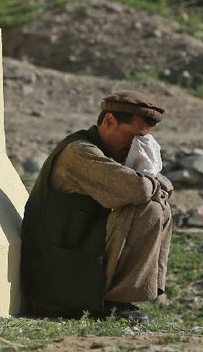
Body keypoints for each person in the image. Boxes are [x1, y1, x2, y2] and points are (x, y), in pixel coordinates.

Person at [20, 90, 174, 323]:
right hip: (55, 281)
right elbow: (138, 189)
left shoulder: (111, 154)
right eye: (133, 138)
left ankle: (118, 301)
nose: (138, 147)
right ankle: (114, 304)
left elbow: (162, 187)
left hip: (79, 265)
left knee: (160, 207)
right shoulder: (80, 151)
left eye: (144, 141)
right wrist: (151, 180)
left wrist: (149, 179)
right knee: (147, 208)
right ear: (109, 121)